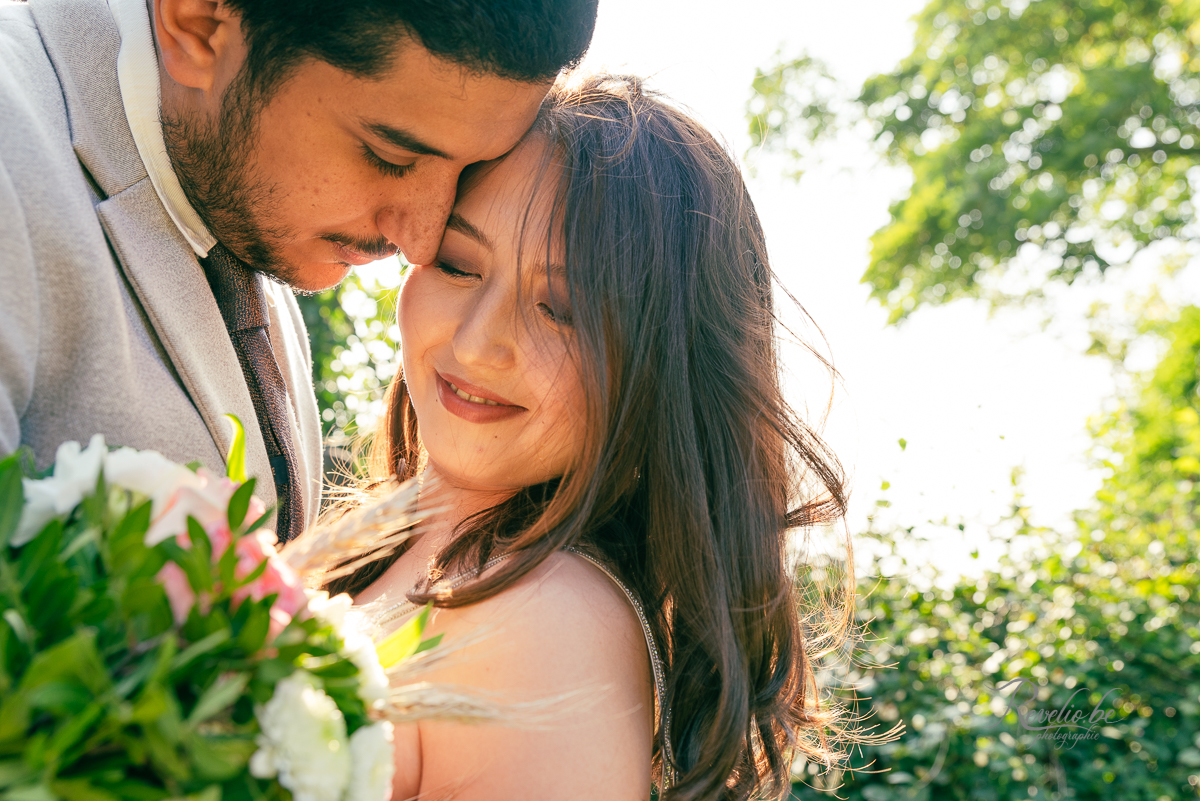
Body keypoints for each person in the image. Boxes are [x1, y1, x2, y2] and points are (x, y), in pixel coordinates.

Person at [333, 74, 853, 800]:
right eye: (457, 263)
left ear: (662, 366)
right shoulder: (364, 536)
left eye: (562, 309)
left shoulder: (543, 622)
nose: (482, 343)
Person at [0, 0, 597, 541]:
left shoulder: (245, 209)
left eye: (469, 170)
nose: (422, 239)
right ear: (200, 24)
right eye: (390, 156)